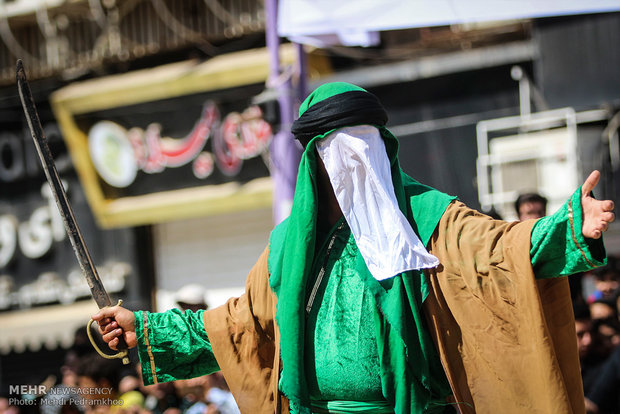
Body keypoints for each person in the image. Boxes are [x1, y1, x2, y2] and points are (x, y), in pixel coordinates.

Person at [93, 82, 615, 414]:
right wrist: (144, 327)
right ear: (314, 164)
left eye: (363, 149)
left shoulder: (431, 218)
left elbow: (503, 253)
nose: (354, 168)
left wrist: (570, 226)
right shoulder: (288, 247)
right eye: (339, 156)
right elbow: (235, 326)